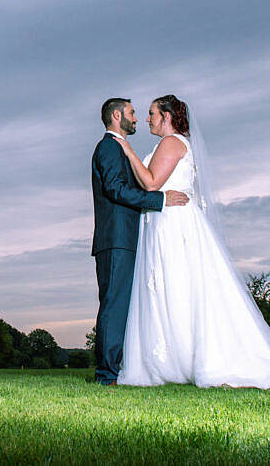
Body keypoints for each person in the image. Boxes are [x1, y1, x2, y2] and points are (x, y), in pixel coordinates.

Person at [113, 94, 270, 388]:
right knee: (171, 288)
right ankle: (173, 360)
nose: (147, 118)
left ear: (166, 116)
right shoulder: (169, 144)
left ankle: (189, 359)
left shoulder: (172, 143)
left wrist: (127, 151)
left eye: (152, 113)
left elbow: (152, 183)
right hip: (164, 221)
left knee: (177, 284)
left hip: (174, 226)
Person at [90, 98, 189, 385]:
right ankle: (106, 375)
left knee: (122, 305)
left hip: (127, 238)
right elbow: (116, 190)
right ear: (118, 115)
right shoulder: (108, 147)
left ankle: (117, 370)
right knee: (114, 305)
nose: (138, 119)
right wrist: (159, 199)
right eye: (133, 113)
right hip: (116, 239)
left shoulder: (119, 148)